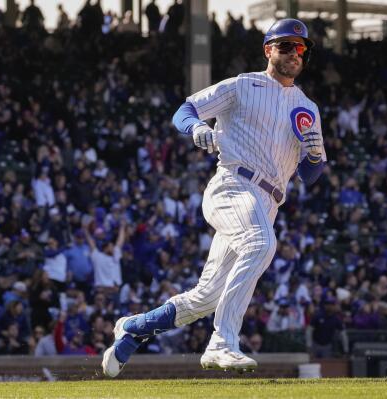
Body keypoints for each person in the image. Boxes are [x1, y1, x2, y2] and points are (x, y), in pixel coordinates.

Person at [102, 18, 326, 377]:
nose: (294, 52)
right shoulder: (243, 85)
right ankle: (222, 343)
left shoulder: (307, 108)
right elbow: (185, 109)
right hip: (233, 185)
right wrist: (197, 128)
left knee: (205, 298)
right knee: (260, 244)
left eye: (300, 47)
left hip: (268, 201)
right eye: (285, 45)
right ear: (268, 49)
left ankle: (134, 329)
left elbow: (310, 176)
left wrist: (313, 156)